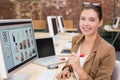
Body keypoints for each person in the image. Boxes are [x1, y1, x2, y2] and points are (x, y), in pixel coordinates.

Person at [56, 2, 116, 80]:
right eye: (83, 19)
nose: (86, 24)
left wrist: (79, 70)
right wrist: (66, 69)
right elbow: (71, 60)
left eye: (92, 20)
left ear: (100, 22)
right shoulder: (76, 39)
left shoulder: (108, 51)